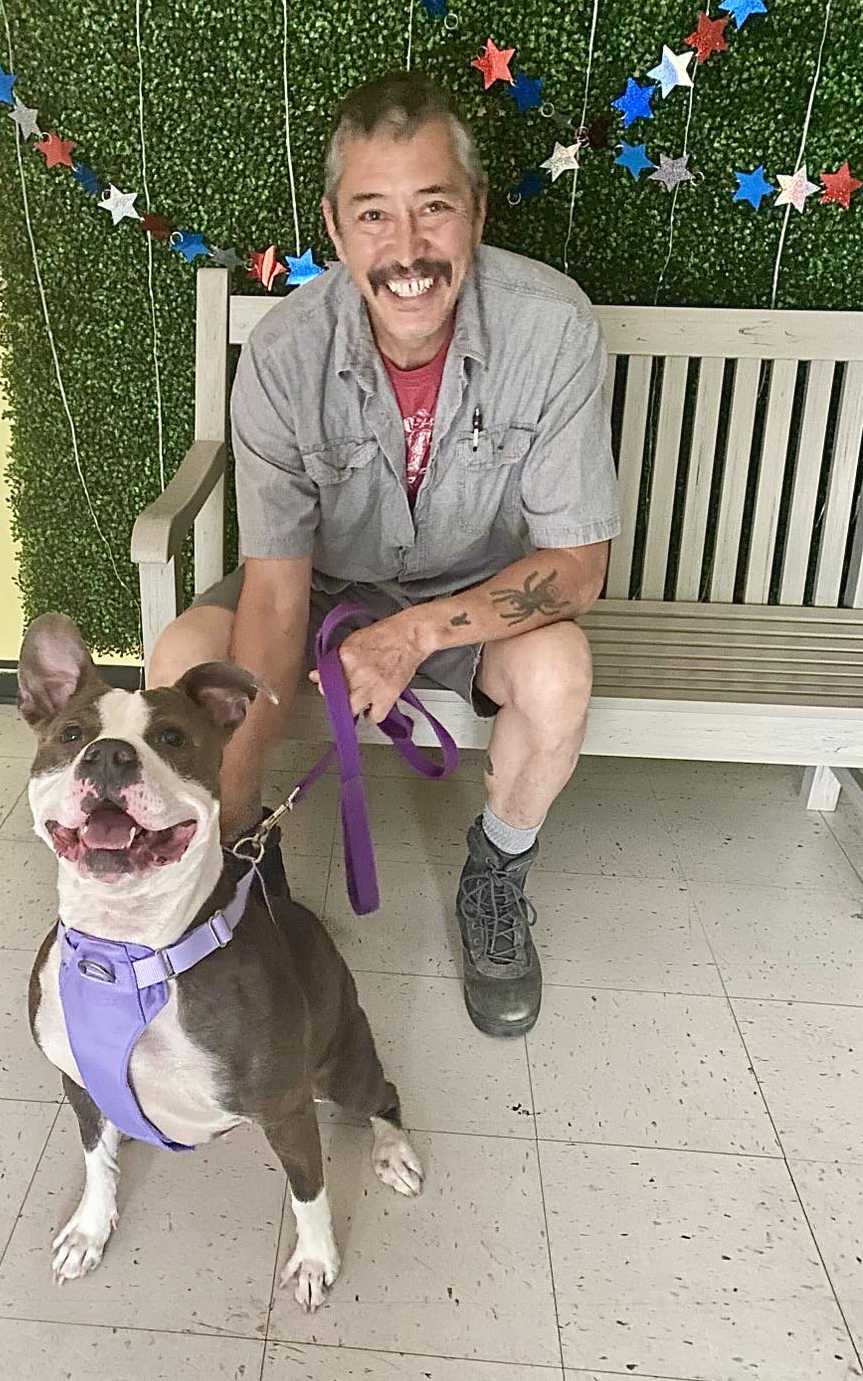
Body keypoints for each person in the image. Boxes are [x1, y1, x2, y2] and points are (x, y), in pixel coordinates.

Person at [149, 72, 620, 1038]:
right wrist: (236, 810)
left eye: (433, 209)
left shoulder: (553, 324)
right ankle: (244, 873)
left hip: (470, 595)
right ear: (335, 225)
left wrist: (412, 634)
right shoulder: (284, 353)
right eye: (373, 215)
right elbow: (278, 593)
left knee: (561, 671)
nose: (407, 252)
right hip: (319, 587)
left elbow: (576, 566)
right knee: (178, 664)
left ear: (477, 212)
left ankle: (497, 869)